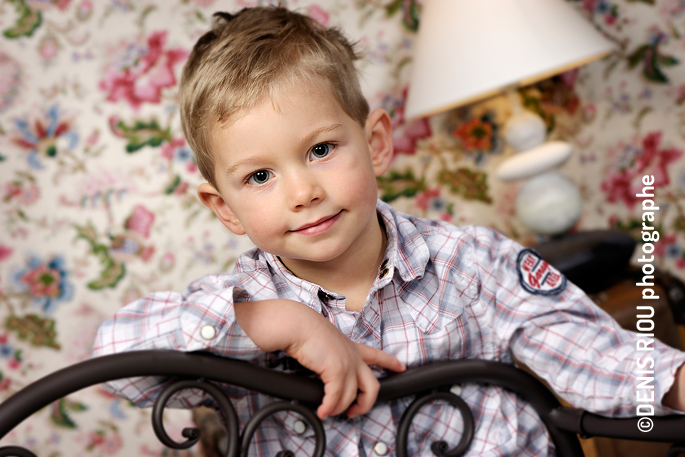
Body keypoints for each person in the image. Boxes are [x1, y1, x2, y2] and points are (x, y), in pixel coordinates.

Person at [93, 5, 685, 456]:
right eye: (261, 176)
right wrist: (278, 324)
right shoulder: (240, 307)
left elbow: (593, 353)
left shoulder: (470, 263)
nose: (303, 192)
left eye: (321, 149)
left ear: (375, 143)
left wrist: (674, 382)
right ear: (224, 208)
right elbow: (115, 357)